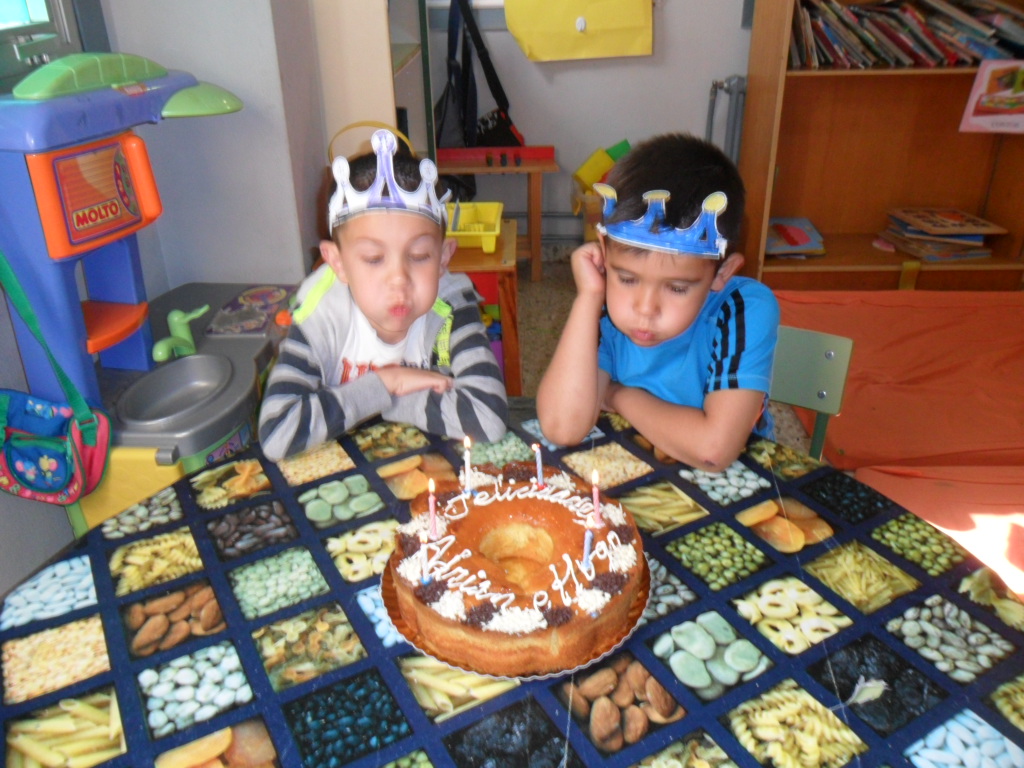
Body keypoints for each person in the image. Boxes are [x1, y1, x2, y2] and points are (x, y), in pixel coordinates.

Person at [258, 129, 508, 462]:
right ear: (338, 263)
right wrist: (389, 382)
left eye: (419, 256)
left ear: (443, 259)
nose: (398, 280)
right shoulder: (322, 316)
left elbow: (487, 418)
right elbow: (278, 434)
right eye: (374, 259)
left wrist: (374, 400)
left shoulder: (449, 311)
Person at [537, 133, 778, 472]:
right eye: (627, 279)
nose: (645, 309)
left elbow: (713, 451)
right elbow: (562, 427)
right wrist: (588, 297)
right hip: (632, 469)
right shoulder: (605, 303)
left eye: (677, 288)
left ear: (722, 273)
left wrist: (617, 395)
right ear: (605, 256)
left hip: (732, 484)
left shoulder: (743, 308)